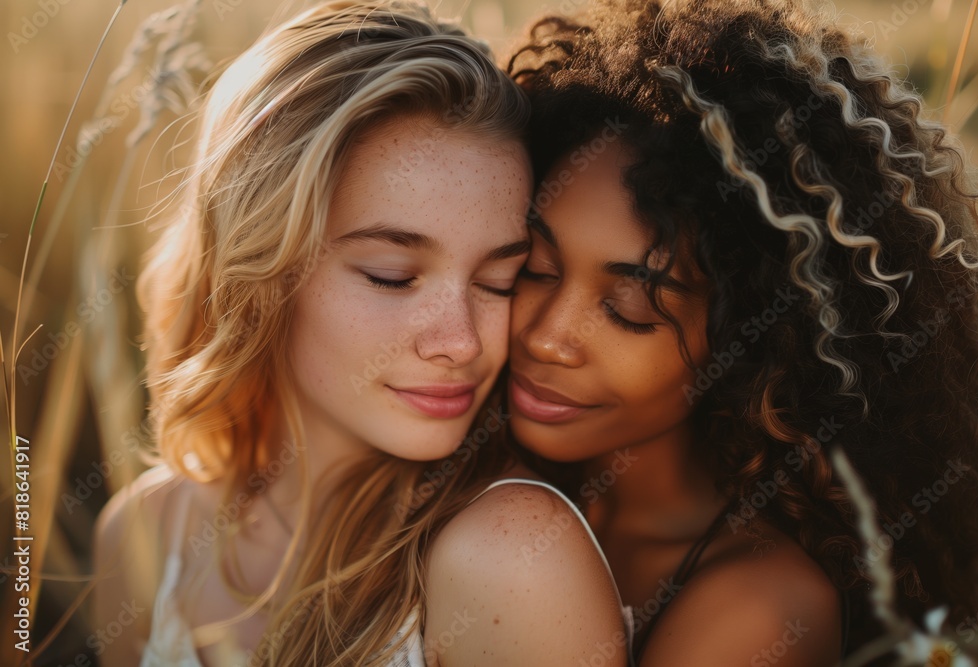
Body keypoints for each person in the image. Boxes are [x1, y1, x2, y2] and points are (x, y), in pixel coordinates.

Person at [93, 2, 630, 665]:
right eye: (392, 275)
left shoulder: (511, 558)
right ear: (255, 270)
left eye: (499, 280)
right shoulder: (144, 534)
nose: (461, 342)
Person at [506, 0, 978, 664]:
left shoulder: (761, 606)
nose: (545, 335)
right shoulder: (472, 465)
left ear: (749, 339)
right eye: (534, 268)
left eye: (629, 307)